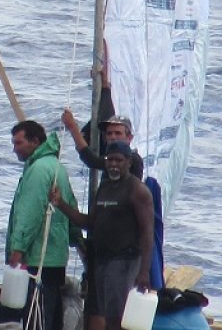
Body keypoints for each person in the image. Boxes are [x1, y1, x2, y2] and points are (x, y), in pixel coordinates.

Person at [50, 141, 153, 330]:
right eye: (109, 160)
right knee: (106, 315)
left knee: (119, 319)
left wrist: (144, 272)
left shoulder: (138, 191)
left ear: (128, 162)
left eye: (118, 160)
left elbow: (148, 234)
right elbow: (89, 223)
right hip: (102, 261)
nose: (113, 164)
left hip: (125, 262)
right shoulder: (103, 188)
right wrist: (60, 204)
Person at [6, 119, 78, 330]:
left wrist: (17, 249)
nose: (14, 149)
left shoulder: (38, 170)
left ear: (35, 141)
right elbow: (70, 205)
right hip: (56, 257)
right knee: (52, 315)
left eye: (18, 143)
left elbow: (30, 213)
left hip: (38, 259)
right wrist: (76, 239)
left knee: (36, 318)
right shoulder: (57, 168)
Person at [60, 108, 144, 180]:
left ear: (129, 138)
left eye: (118, 133)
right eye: (109, 133)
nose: (113, 137)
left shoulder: (133, 159)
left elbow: (93, 161)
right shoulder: (109, 156)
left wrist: (73, 128)